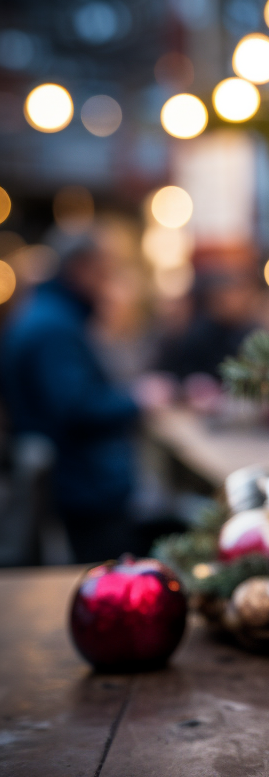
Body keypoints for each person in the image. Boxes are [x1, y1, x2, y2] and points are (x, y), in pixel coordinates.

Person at [0, 232, 139, 562]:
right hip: (82, 482)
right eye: (105, 272)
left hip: (73, 476)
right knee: (103, 573)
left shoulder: (46, 314)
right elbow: (76, 407)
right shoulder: (54, 327)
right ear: (81, 269)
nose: (108, 283)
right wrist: (138, 401)